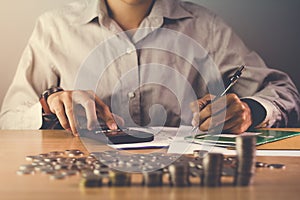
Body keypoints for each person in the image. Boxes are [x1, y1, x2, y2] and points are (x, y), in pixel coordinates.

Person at [0, 0, 299, 136]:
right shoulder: (54, 28)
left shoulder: (205, 27)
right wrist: (49, 107)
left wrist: (249, 110)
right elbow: (8, 118)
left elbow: (284, 92)